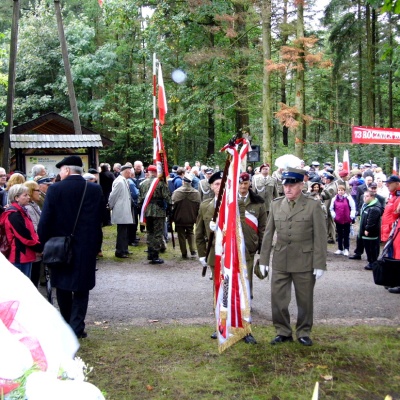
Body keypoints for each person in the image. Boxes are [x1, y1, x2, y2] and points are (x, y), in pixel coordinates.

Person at [259, 167, 327, 346]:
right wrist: (264, 260)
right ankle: (283, 331)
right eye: (285, 185)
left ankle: (304, 331)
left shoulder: (312, 205)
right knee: (278, 298)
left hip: (305, 260)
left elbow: (320, 237)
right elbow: (268, 233)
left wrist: (319, 263)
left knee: (305, 300)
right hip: (281, 259)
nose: (287, 188)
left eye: (292, 185)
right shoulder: (275, 204)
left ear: (301, 185)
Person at [38, 155, 103, 339]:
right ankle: (77, 327)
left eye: (61, 170)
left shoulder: (55, 189)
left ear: (66, 170)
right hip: (86, 247)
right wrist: (96, 245)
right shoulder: (94, 189)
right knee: (82, 289)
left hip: (60, 247)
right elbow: (100, 220)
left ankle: (67, 326)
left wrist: (43, 245)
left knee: (63, 287)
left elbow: (45, 221)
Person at [237, 172, 267, 300]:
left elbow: (263, 227)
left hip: (250, 243)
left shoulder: (258, 202)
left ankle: (247, 298)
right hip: (233, 243)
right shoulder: (230, 201)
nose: (243, 186)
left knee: (247, 273)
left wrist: (262, 246)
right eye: (240, 183)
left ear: (250, 183)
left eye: (245, 183)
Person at [1, 184, 41, 278]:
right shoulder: (14, 214)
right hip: (19, 256)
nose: (28, 197)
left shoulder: (20, 211)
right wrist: (39, 247)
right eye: (25, 195)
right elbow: (24, 236)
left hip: (24, 255)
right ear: (16, 198)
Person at [139, 165, 171, 264]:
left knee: (150, 232)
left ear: (148, 172)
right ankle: (155, 255)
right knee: (158, 233)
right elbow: (167, 197)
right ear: (156, 172)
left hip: (147, 210)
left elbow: (140, 199)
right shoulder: (160, 183)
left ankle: (150, 252)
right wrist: (170, 208)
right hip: (158, 211)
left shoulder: (142, 183)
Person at [171, 172, 201, 259]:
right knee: (190, 232)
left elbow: (173, 206)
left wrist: (172, 217)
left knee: (181, 235)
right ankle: (193, 250)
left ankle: (184, 252)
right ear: (190, 182)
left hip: (179, 218)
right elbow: (199, 207)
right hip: (191, 218)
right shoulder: (196, 193)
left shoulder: (176, 192)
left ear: (183, 182)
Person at [108, 165, 134, 258]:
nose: (131, 173)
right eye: (130, 171)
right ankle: (120, 251)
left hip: (124, 209)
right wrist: (110, 205)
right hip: (121, 210)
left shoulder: (123, 180)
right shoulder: (119, 181)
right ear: (126, 171)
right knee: (122, 232)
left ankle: (124, 249)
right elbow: (113, 195)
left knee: (125, 231)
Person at [380, 175, 400, 293]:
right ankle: (394, 280)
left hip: (396, 230)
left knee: (397, 257)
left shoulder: (397, 196)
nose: (387, 185)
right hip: (393, 230)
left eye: (390, 183)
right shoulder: (393, 195)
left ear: (397, 183)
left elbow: (395, 213)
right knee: (393, 256)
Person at [23, 180, 43, 287]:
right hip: (34, 250)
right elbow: (34, 229)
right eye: (37, 190)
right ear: (31, 192)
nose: (39, 192)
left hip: (36, 249)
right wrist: (39, 247)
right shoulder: (29, 208)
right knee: (33, 279)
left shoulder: (34, 205)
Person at [329, 185, 356, 256]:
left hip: (347, 219)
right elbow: (331, 208)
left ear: (344, 191)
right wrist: (334, 215)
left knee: (346, 235)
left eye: (342, 190)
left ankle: (346, 249)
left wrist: (351, 216)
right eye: (339, 190)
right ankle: (340, 248)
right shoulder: (334, 199)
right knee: (340, 235)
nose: (340, 192)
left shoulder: (348, 198)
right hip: (338, 220)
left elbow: (353, 208)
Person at [359, 190, 382, 271]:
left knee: (372, 248)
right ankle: (371, 262)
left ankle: (373, 263)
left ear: (372, 197)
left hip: (370, 233)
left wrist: (367, 228)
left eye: (367, 196)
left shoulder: (374, 208)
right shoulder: (367, 205)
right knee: (368, 248)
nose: (364, 198)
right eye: (364, 196)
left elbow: (371, 220)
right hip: (365, 232)